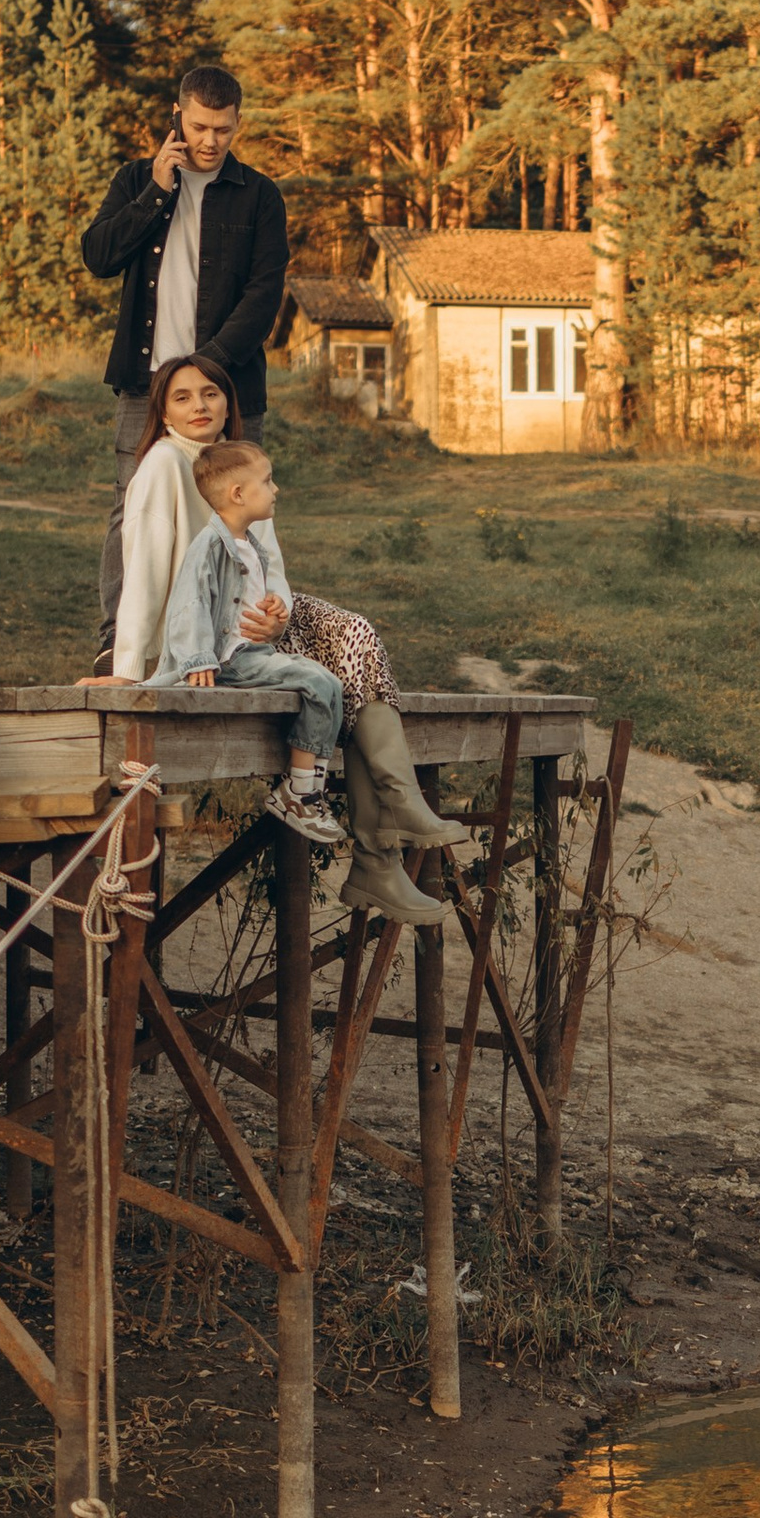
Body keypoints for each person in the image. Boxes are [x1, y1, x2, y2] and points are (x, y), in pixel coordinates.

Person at [103, 346, 467, 921]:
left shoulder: (243, 464)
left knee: (355, 636)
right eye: (182, 396)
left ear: (228, 402)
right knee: (341, 671)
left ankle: (391, 826)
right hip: (210, 638)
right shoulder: (163, 464)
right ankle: (380, 851)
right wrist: (127, 667)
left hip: (262, 628)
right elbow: (144, 572)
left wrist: (279, 611)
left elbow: (273, 566)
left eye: (211, 393)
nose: (199, 405)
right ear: (163, 412)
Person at [81, 58, 289, 674]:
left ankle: (237, 637)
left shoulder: (259, 195)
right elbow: (98, 256)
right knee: (131, 505)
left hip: (230, 386)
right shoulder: (135, 181)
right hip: (145, 386)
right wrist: (155, 191)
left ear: (237, 124)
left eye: (223, 129)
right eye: (199, 126)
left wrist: (206, 374)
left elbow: (264, 294)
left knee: (240, 507)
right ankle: (118, 641)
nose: (210, 141)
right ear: (178, 117)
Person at [160, 440, 347, 847]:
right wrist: (197, 658)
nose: (276, 488)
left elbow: (245, 599)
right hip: (232, 661)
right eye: (267, 480)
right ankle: (298, 794)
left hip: (255, 653)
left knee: (329, 683)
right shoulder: (208, 546)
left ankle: (311, 789)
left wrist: (275, 606)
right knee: (316, 683)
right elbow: (188, 602)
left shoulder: (251, 547)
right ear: (238, 494)